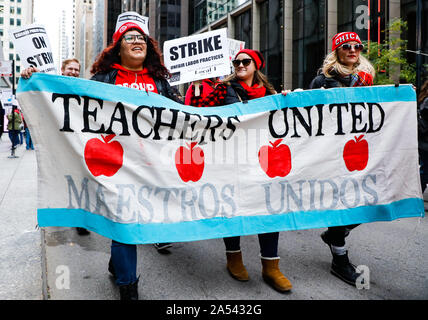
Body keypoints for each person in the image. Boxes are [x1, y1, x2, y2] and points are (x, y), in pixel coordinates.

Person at [90, 21, 183, 300]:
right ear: (118, 47)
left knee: (144, 222)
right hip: (115, 164)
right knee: (124, 223)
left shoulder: (160, 82)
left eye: (141, 37)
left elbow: (184, 117)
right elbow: (73, 106)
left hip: (153, 165)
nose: (137, 40)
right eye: (129, 37)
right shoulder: (103, 79)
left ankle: (117, 264)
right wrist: (33, 78)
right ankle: (129, 288)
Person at [189, 49, 292, 293]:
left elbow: (281, 119)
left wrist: (287, 99)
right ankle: (233, 258)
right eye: (236, 62)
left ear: (256, 66)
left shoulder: (269, 93)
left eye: (245, 61)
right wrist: (194, 88)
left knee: (268, 209)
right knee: (232, 208)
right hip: (231, 159)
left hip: (262, 159)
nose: (240, 65)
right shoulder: (224, 89)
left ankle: (271, 266)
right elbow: (200, 110)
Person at [308, 31, 375, 286]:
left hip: (360, 150)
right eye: (346, 46)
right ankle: (340, 259)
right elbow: (309, 115)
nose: (352, 50)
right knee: (341, 203)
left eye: (357, 46)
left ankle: (338, 232)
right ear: (337, 51)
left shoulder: (366, 80)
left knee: (370, 199)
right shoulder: (322, 81)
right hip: (333, 154)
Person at [22, 59, 89, 236]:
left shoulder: (82, 89)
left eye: (77, 69)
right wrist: (31, 74)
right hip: (57, 144)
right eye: (70, 69)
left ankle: (79, 219)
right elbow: (36, 94)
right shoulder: (52, 87)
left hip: (77, 144)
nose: (74, 72)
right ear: (62, 70)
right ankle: (57, 213)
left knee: (79, 182)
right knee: (59, 180)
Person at [417, 79, 428, 193]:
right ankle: (418, 194)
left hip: (424, 142)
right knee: (425, 170)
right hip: (425, 142)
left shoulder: (424, 99)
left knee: (425, 169)